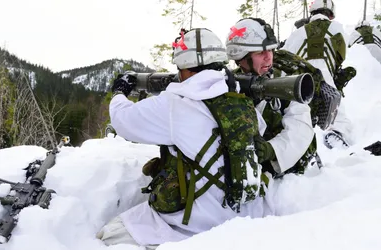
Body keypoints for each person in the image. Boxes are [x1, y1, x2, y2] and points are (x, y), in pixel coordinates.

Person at [96, 28, 272, 248]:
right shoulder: (240, 100)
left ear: (187, 69)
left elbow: (123, 121)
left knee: (107, 236)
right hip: (245, 217)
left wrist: (120, 92)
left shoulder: (174, 105)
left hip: (196, 225)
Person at [226, 17, 316, 177]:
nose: (269, 57)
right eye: (261, 52)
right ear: (241, 58)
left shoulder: (286, 83)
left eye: (271, 50)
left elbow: (301, 128)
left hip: (284, 171)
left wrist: (272, 149)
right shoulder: (228, 83)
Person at [282, 0, 354, 149]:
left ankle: (298, 141)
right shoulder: (338, 28)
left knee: (297, 113)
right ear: (331, 14)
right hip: (327, 79)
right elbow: (345, 52)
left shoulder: (297, 33)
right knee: (338, 114)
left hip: (301, 80)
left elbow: (285, 56)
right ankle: (337, 135)